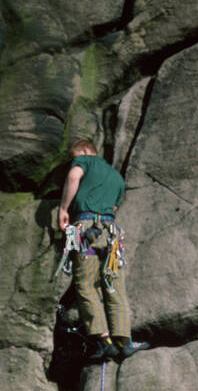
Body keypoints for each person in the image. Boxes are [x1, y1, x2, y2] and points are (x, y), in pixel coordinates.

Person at [57, 139, 149, 363]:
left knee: (87, 284)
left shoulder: (85, 160)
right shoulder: (117, 178)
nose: (74, 161)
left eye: (74, 156)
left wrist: (63, 208)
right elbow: (115, 207)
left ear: (86, 151)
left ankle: (104, 340)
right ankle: (125, 342)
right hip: (111, 236)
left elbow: (73, 177)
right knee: (113, 284)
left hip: (86, 229)